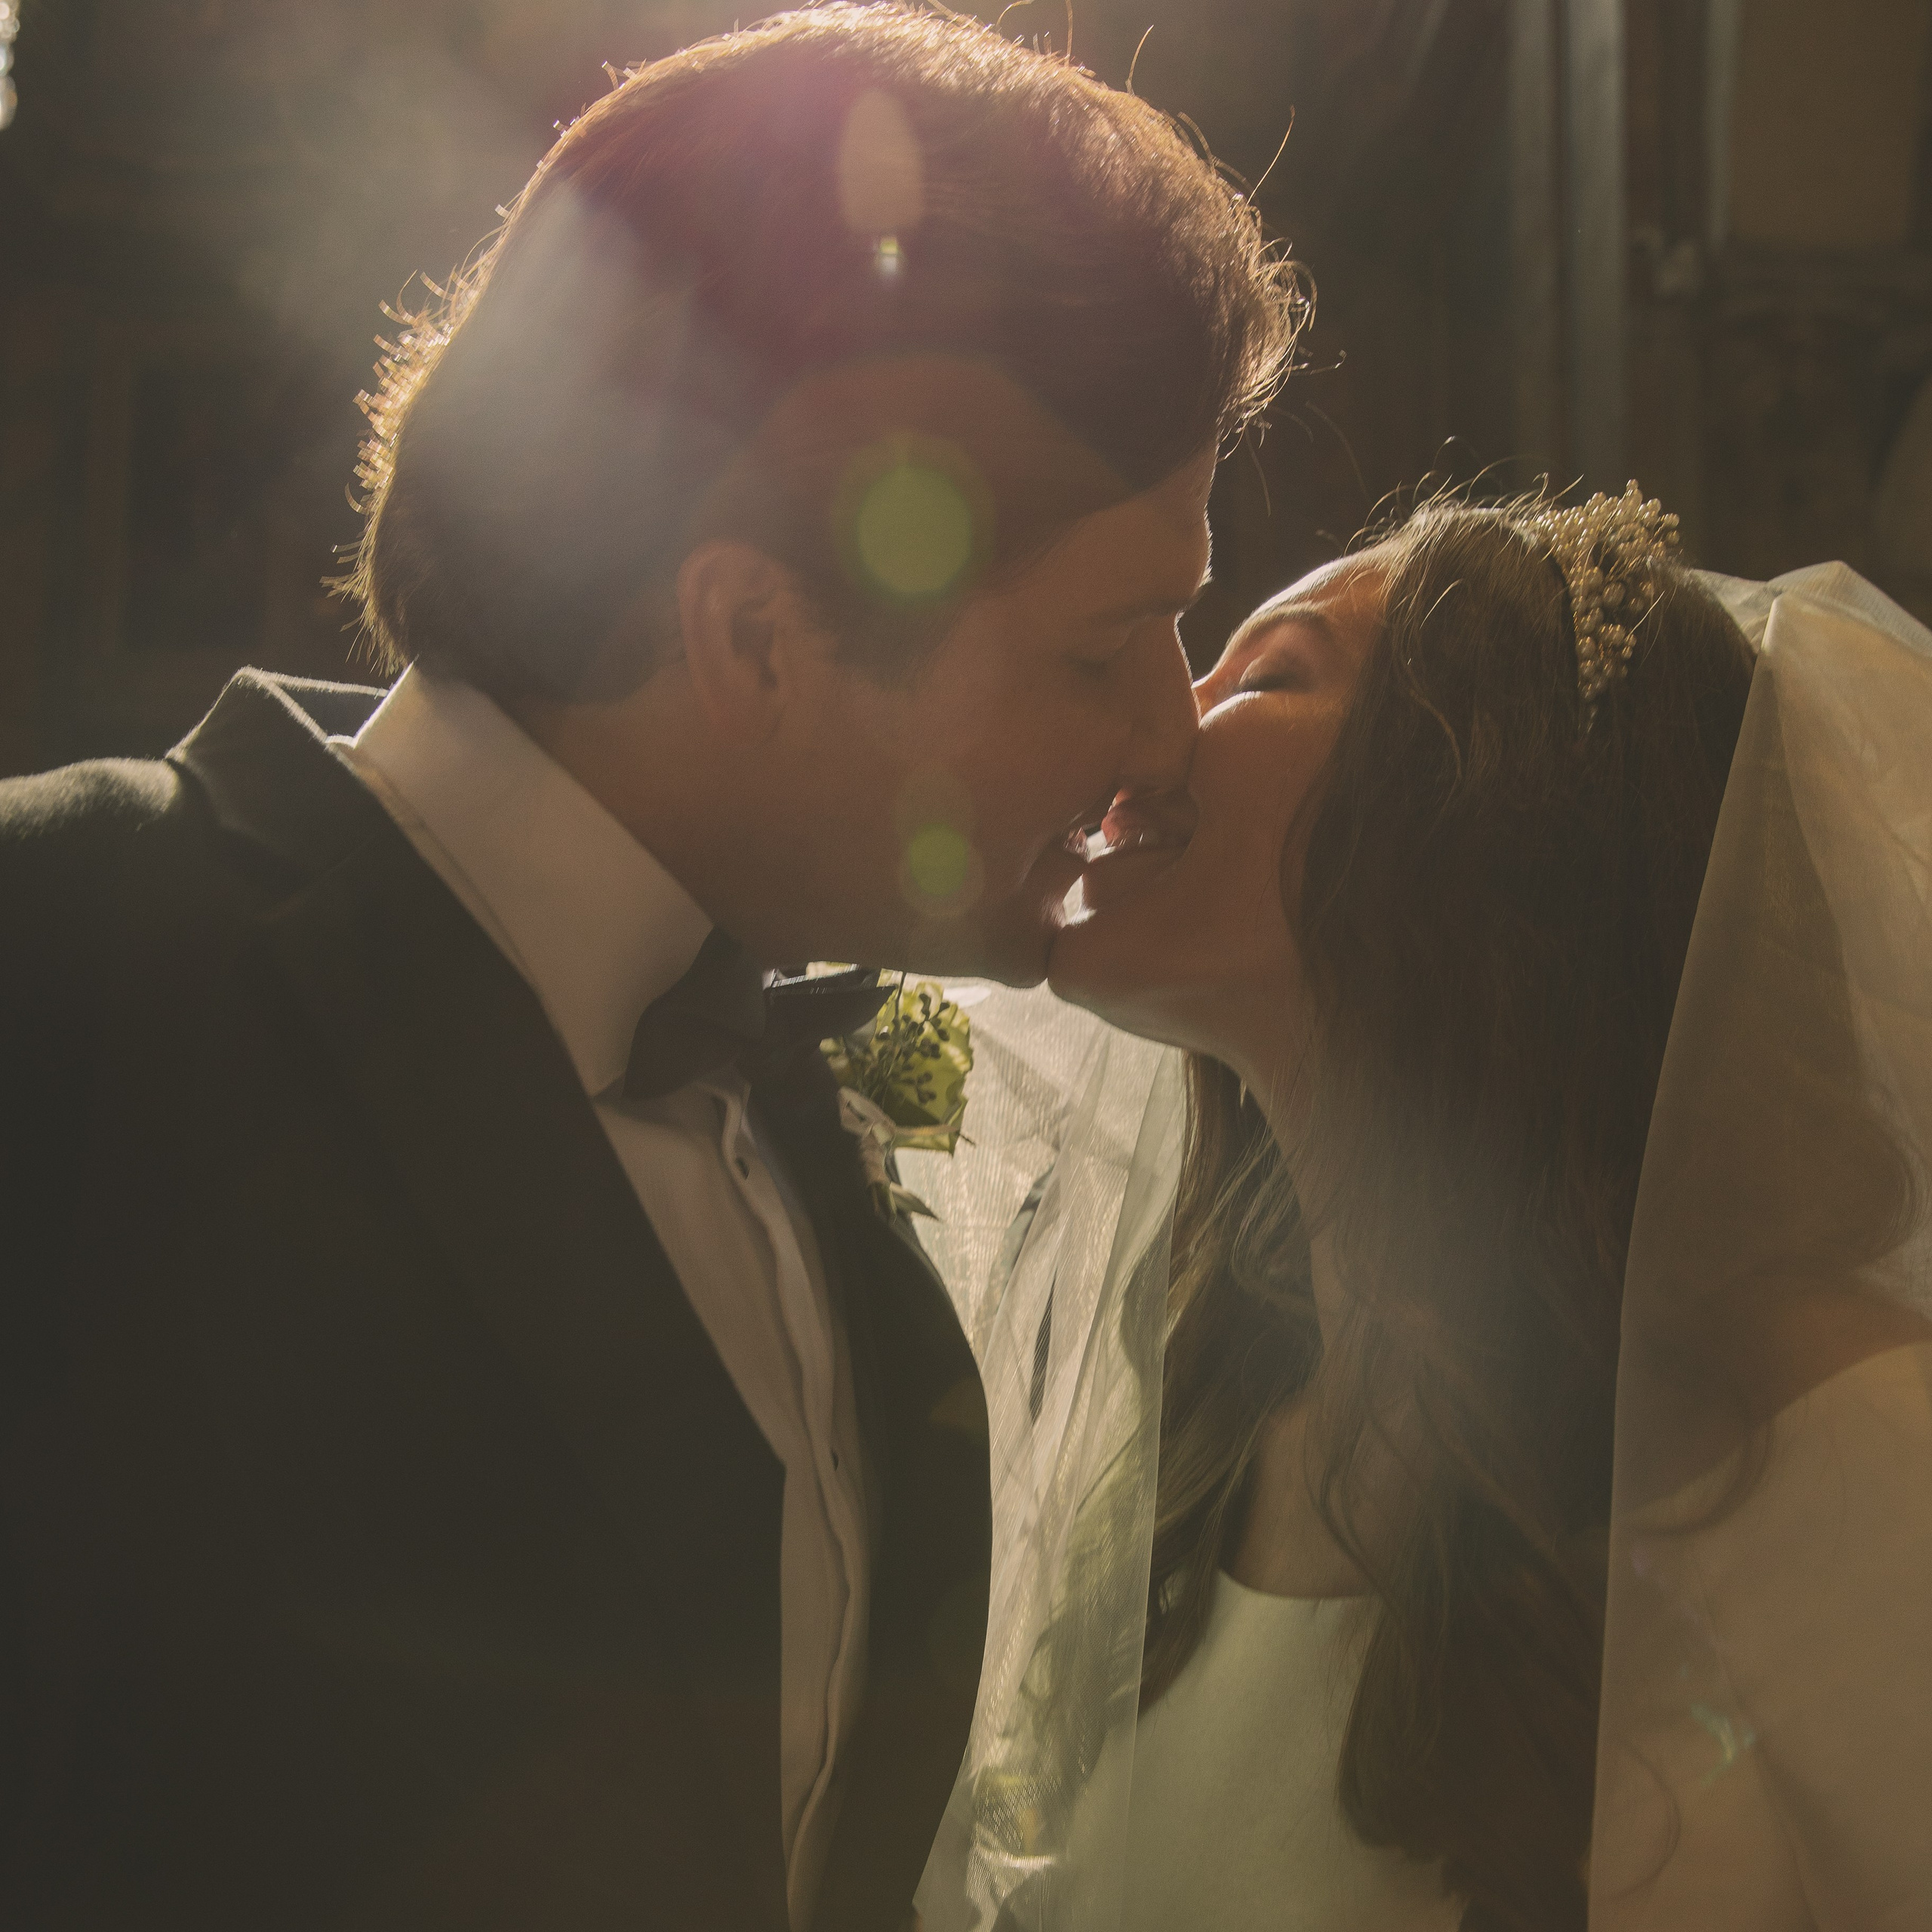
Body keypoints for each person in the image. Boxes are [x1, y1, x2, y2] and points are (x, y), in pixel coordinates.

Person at [0, 10, 1303, 1929]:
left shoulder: (816, 1142)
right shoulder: (65, 963)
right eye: (1103, 648)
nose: (1167, 737)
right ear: (754, 635)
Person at [923, 491, 1932, 1931]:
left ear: (1489, 824)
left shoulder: (1828, 1426)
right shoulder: (1201, 1429)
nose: (1156, 734)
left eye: (1270, 673)